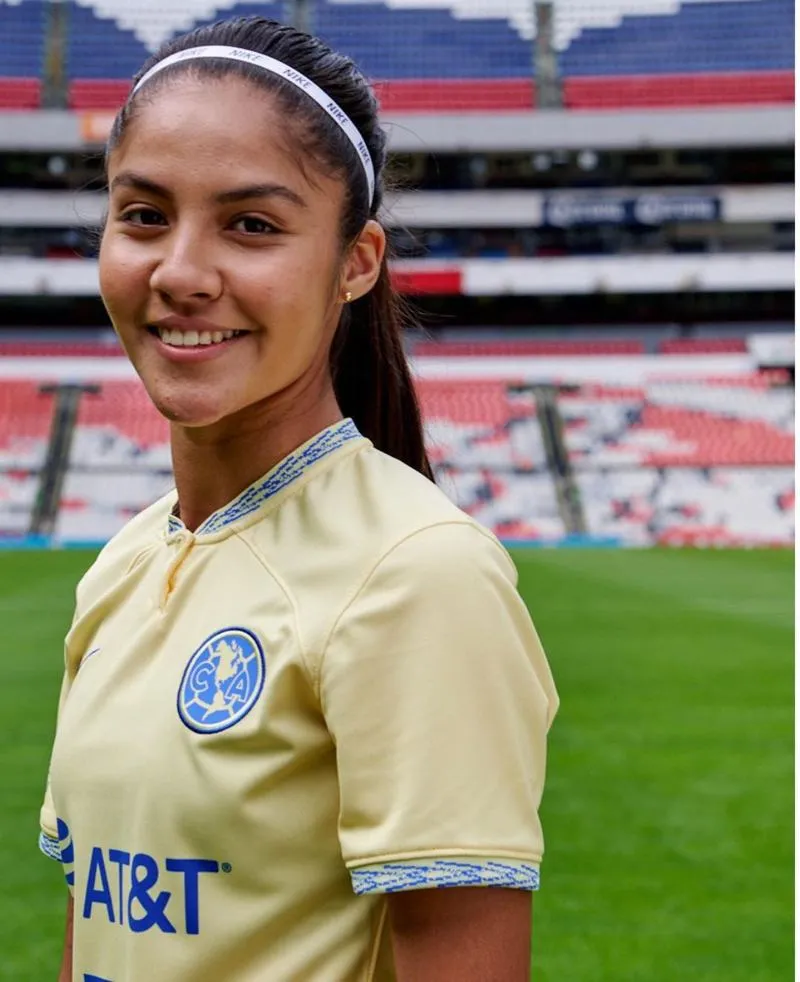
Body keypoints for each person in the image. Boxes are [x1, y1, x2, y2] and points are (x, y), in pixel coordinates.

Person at [39, 16, 559, 982]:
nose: (180, 273)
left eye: (252, 226)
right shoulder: (123, 566)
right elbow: (95, 925)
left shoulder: (416, 574)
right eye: (143, 214)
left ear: (355, 262)